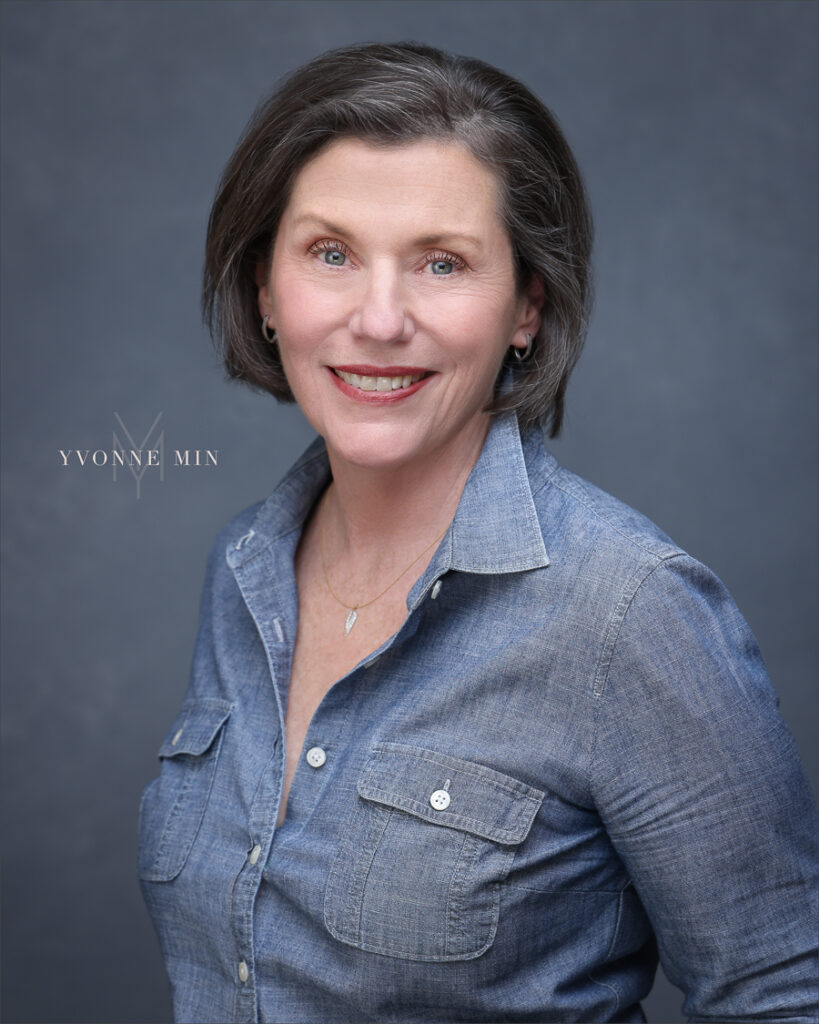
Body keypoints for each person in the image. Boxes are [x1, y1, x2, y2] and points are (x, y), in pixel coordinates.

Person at [138, 42, 818, 1024]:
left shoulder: (628, 609)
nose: (379, 319)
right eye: (331, 253)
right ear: (264, 291)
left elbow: (784, 991)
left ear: (526, 306)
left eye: (441, 263)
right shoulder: (244, 568)